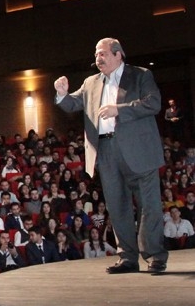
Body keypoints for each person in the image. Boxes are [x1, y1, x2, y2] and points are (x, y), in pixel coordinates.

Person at [54, 37, 167, 274]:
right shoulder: (91, 82)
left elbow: (154, 103)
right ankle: (127, 257)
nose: (98, 58)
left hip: (139, 151)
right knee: (117, 206)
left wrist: (120, 110)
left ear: (118, 54)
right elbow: (73, 104)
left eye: (103, 53)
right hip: (105, 151)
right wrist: (63, 95)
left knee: (149, 205)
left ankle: (154, 255)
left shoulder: (140, 75)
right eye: (96, 54)